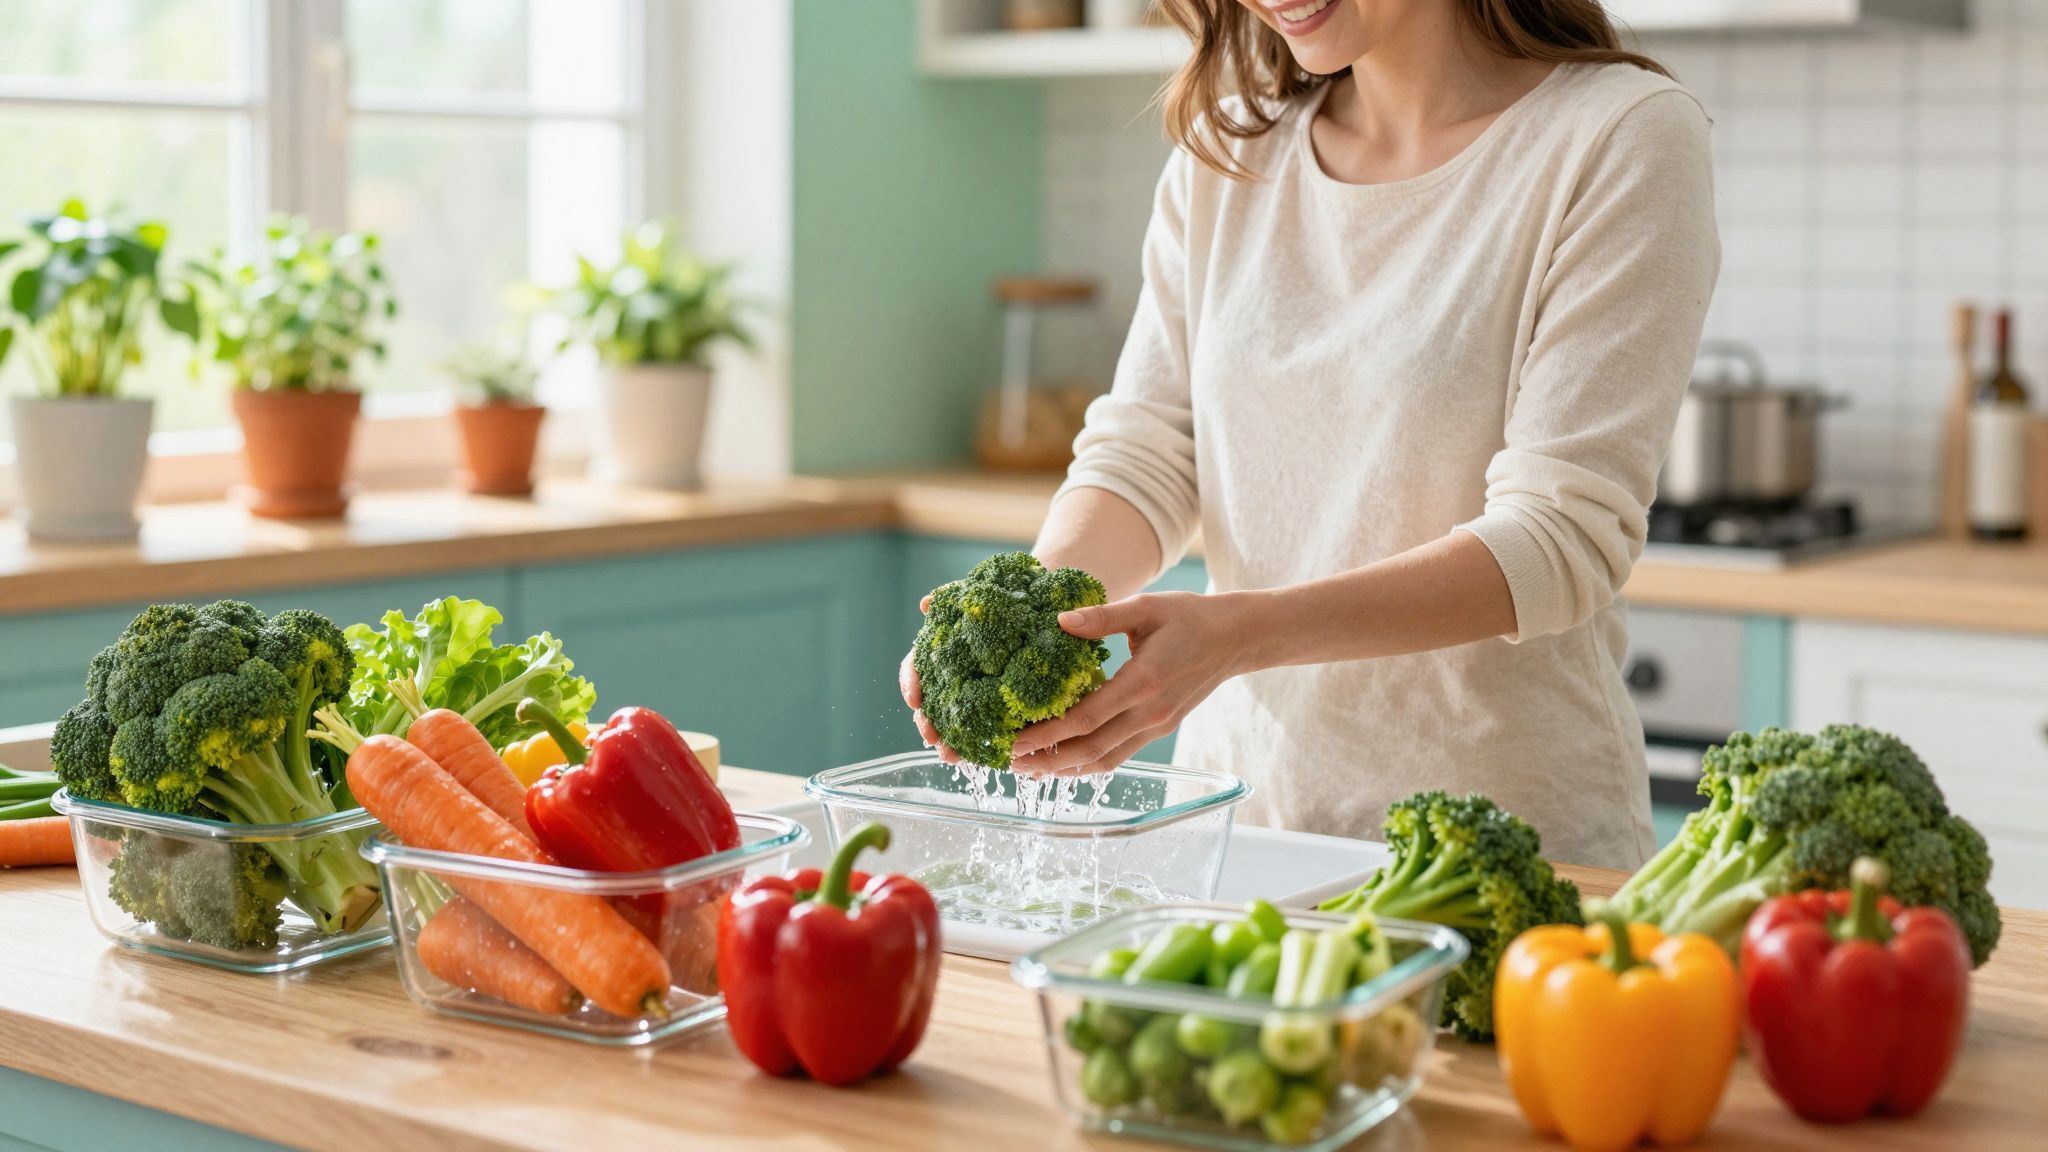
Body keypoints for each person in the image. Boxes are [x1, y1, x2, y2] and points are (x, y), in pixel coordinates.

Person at [903, 0, 1717, 869]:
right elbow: (1151, 451)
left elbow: (1558, 540)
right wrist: (1027, 618)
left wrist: (1239, 636)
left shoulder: (1617, 136)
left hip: (1501, 853)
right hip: (1235, 831)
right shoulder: (1230, 147)